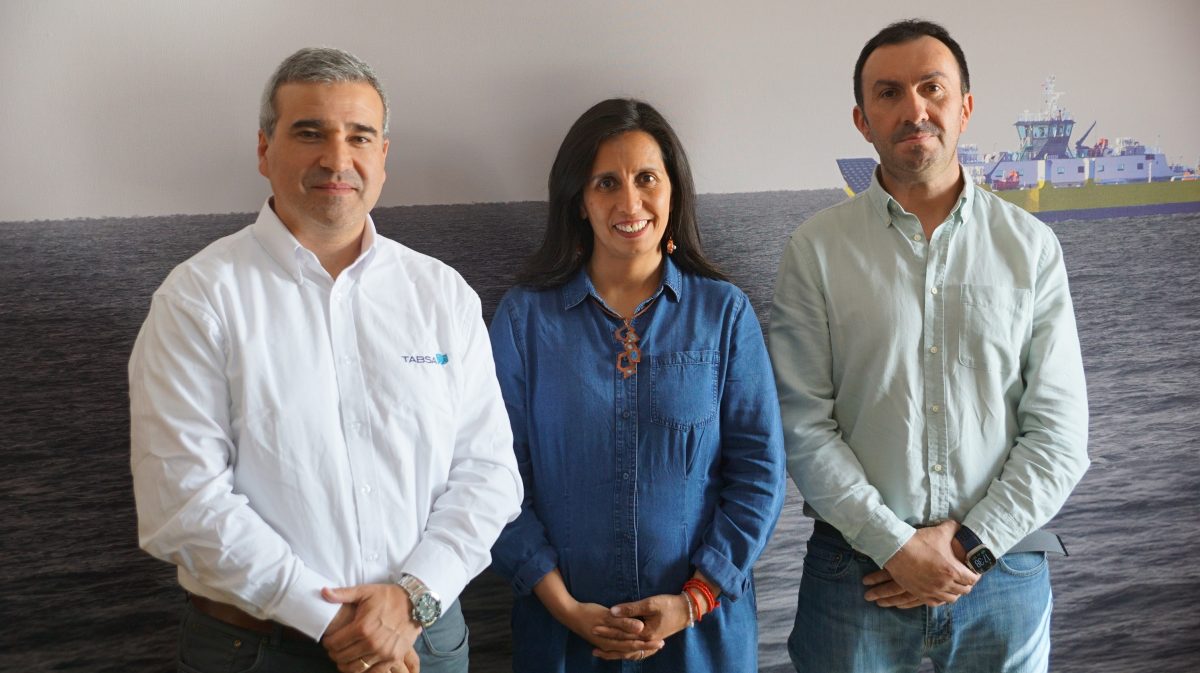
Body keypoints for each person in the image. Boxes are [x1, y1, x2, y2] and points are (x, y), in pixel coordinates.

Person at [129, 47, 522, 673]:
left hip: (423, 639)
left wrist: (411, 601)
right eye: (310, 133)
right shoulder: (199, 299)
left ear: (383, 157)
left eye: (359, 136)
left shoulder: (442, 294)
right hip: (258, 652)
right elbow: (183, 503)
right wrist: (338, 623)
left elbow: (489, 474)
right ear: (265, 150)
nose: (337, 159)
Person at [769, 19, 1090, 673]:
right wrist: (895, 545)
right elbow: (801, 423)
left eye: (931, 88)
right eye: (889, 93)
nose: (914, 109)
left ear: (964, 107)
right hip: (855, 580)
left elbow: (1059, 433)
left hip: (1001, 576)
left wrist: (969, 546)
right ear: (862, 120)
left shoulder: (1031, 249)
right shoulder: (815, 249)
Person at [487, 98, 786, 671]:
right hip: (563, 636)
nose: (630, 203)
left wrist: (694, 599)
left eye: (646, 178)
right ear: (579, 200)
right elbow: (495, 475)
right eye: (606, 183)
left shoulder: (724, 314)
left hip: (701, 635)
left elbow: (759, 474)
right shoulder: (525, 320)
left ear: (673, 191)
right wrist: (566, 606)